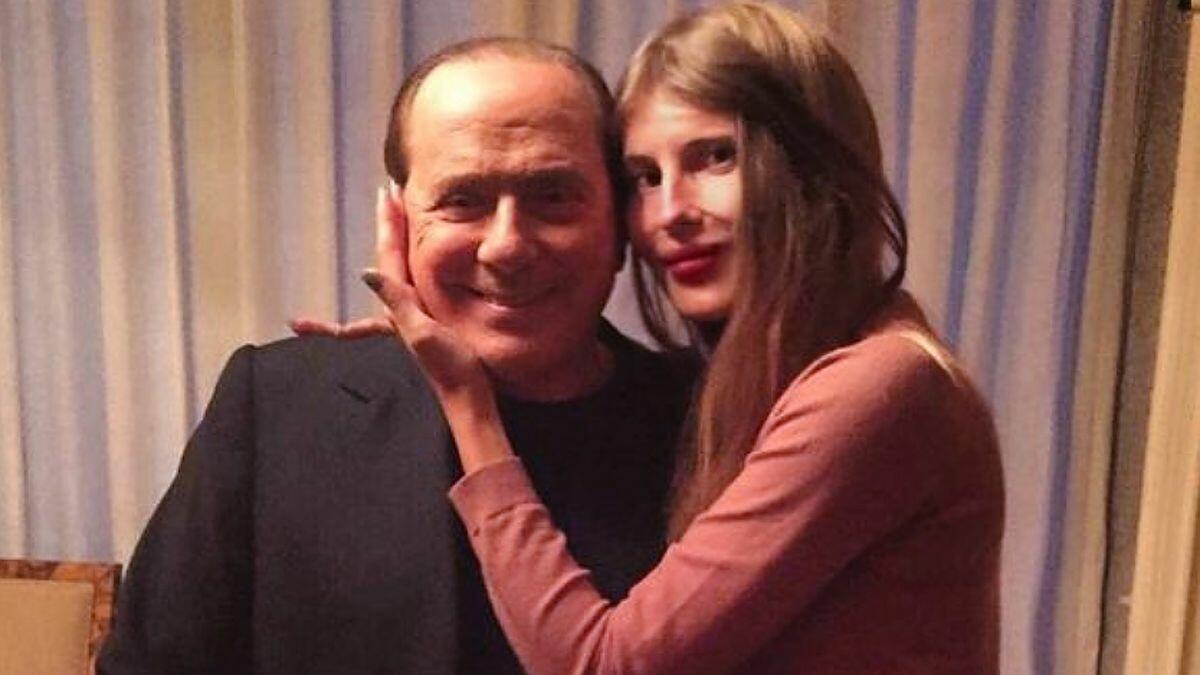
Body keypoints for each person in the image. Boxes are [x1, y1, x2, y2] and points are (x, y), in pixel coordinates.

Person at [360, 3, 1005, 673]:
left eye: (717, 157)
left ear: (813, 166)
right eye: (646, 177)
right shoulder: (782, 374)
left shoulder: (879, 385)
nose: (670, 213)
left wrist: (467, 399)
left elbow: (603, 665)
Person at [97, 38, 692, 674]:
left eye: (553, 195)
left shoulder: (711, 422)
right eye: (463, 199)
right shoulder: (277, 409)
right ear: (399, 222)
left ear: (620, 222)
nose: (506, 246)